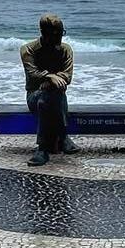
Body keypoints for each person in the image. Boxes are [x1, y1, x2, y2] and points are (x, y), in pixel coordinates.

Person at [19, 13, 78, 166]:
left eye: (61, 33)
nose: (60, 37)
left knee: (48, 98)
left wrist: (50, 81)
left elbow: (67, 77)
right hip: (34, 95)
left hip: (56, 95)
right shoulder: (28, 50)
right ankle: (63, 136)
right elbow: (32, 74)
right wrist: (50, 76)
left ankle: (42, 149)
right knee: (44, 98)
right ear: (44, 33)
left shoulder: (66, 50)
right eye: (55, 34)